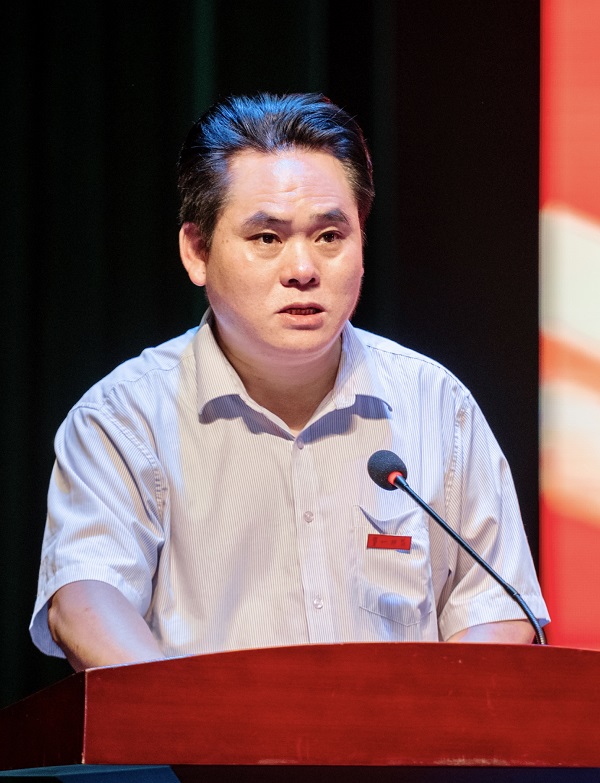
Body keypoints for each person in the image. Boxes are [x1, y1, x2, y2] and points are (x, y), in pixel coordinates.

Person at [30, 93, 549, 671]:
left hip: (401, 734)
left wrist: (422, 720)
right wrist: (188, 717)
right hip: (197, 732)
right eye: (267, 239)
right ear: (197, 252)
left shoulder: (435, 404)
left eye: (329, 236)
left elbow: (497, 609)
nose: (303, 270)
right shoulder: (124, 418)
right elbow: (85, 603)